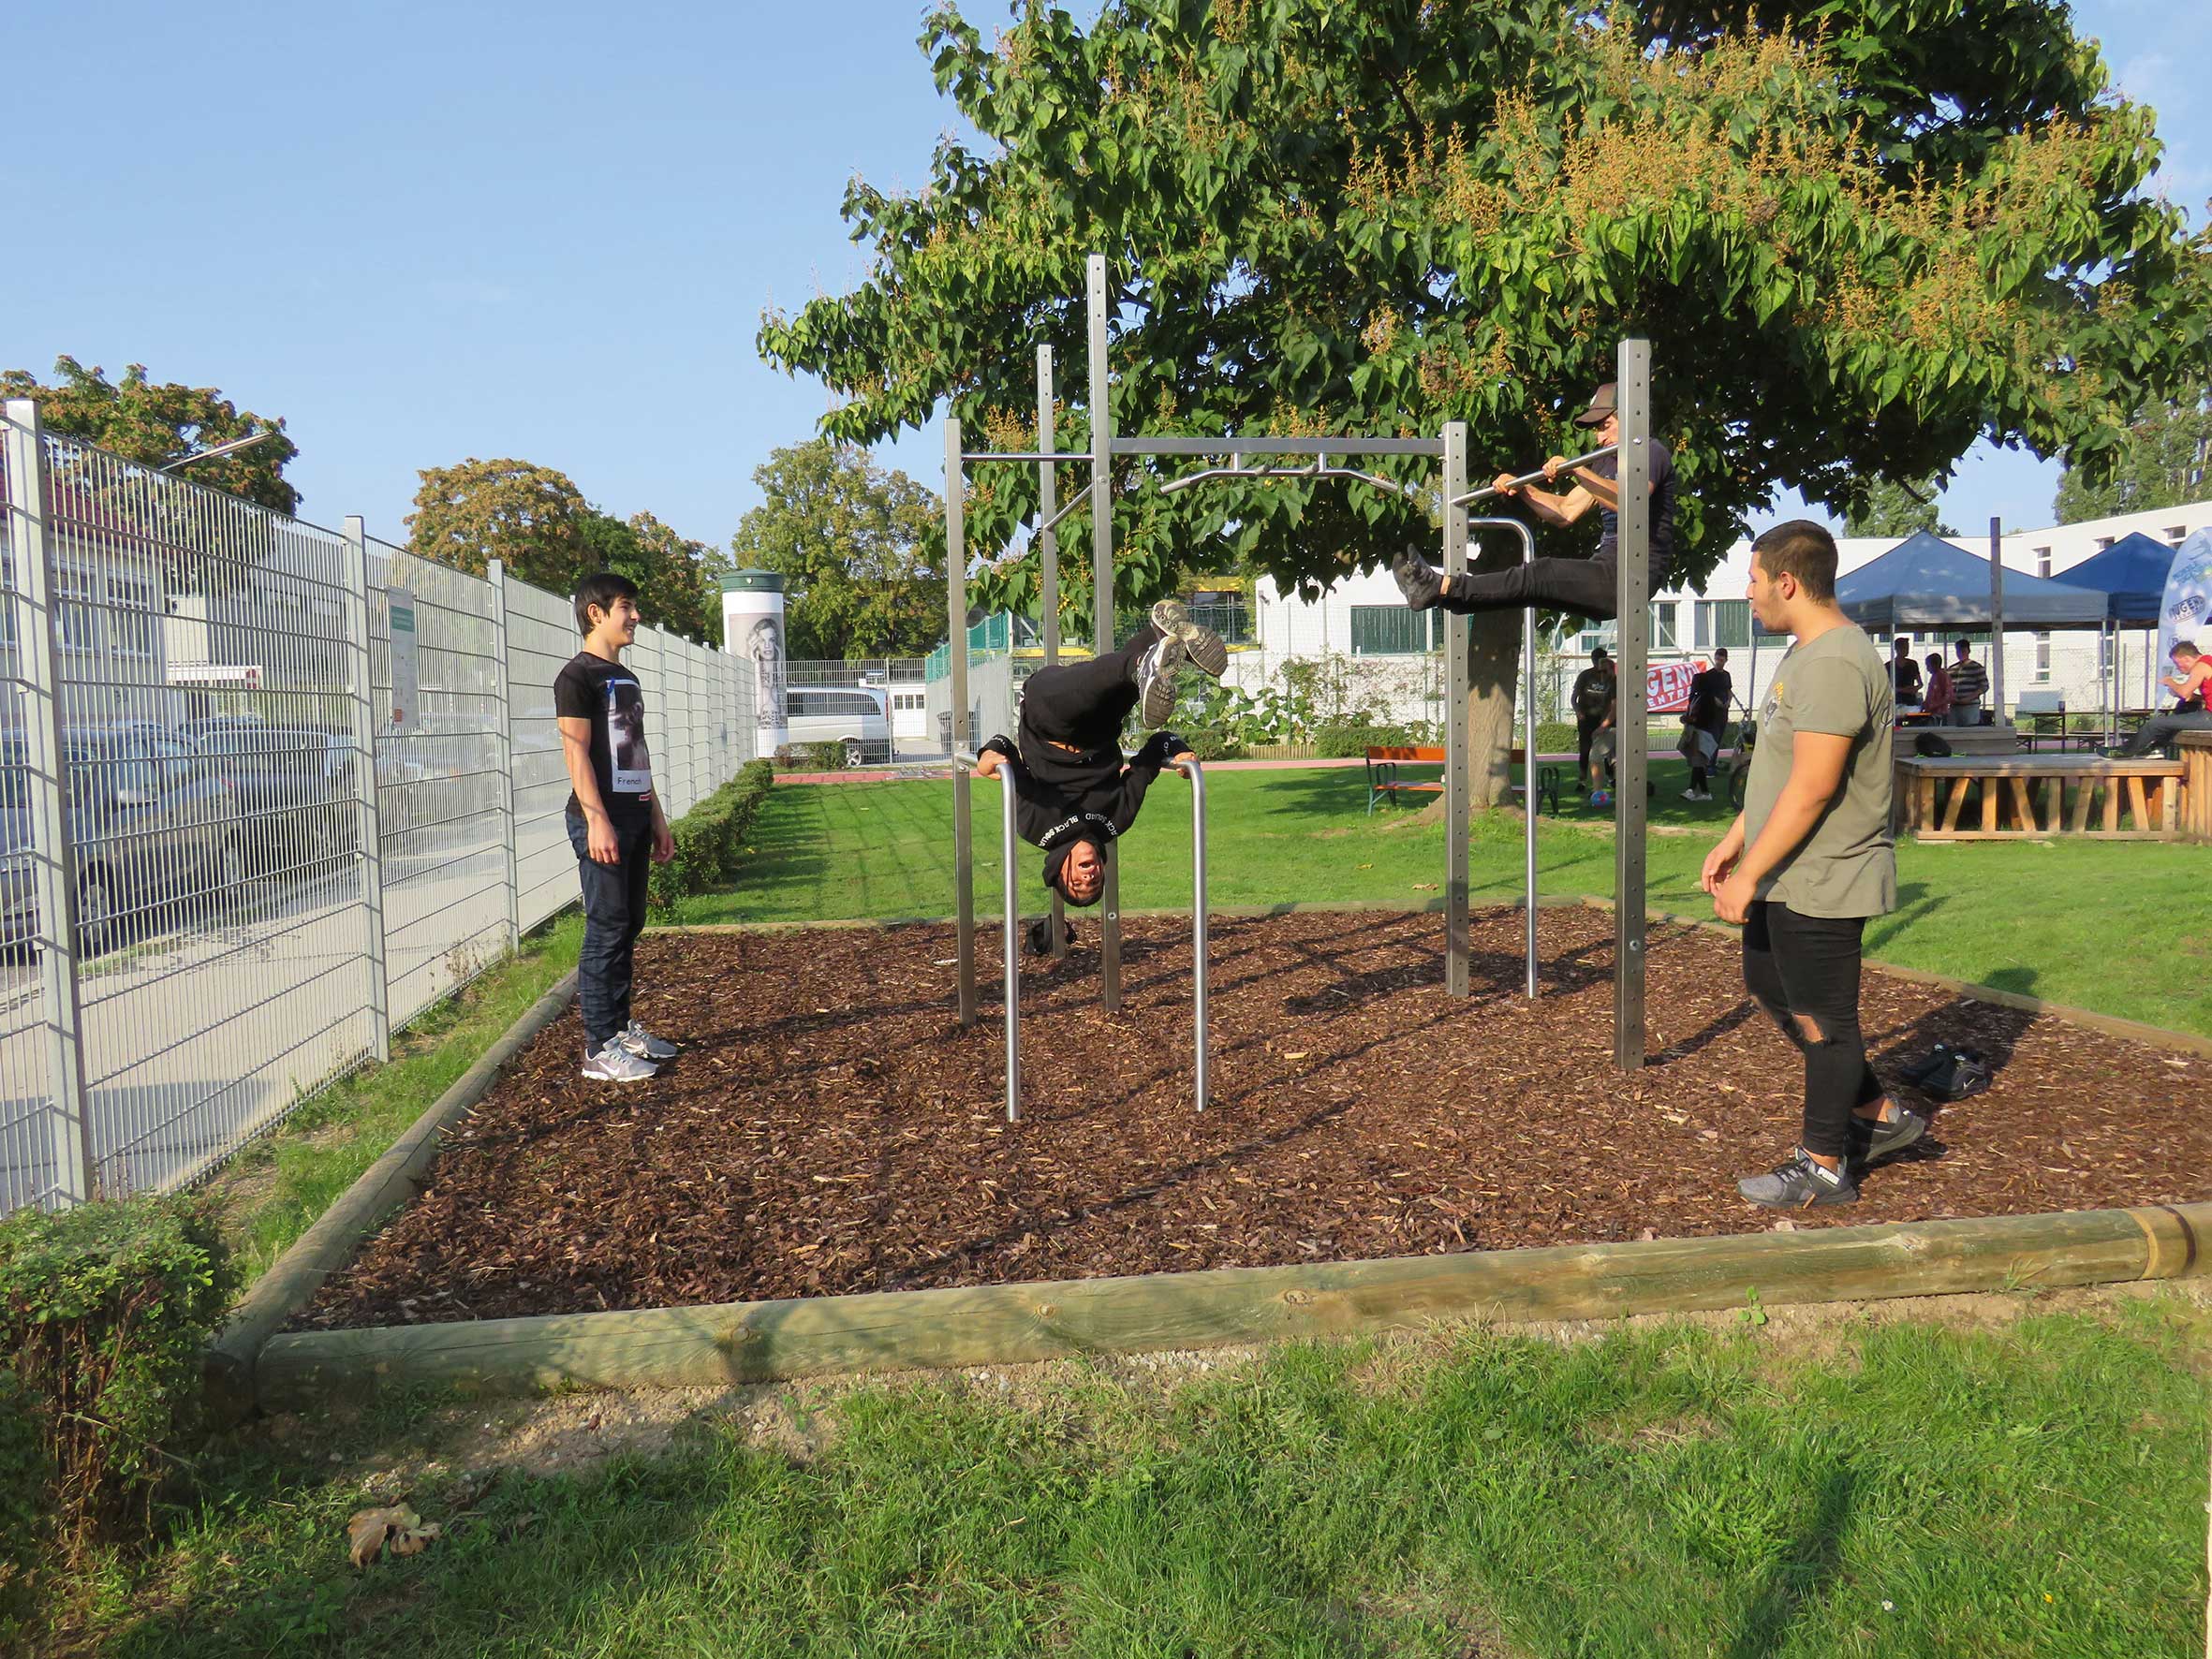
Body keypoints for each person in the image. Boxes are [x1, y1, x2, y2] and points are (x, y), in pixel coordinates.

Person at [1700, 521, 1926, 1208]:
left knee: (1826, 1024)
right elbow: (1780, 772)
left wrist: (1746, 876)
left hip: (1825, 877)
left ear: (1787, 582)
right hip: (1785, 871)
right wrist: (1738, 838)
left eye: (1753, 579)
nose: (1749, 593)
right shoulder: (1807, 654)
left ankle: (1824, 1166)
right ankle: (1880, 1118)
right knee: (1771, 987)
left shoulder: (1833, 662)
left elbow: (1815, 787)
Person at [973, 601, 1227, 904]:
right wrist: (1181, 752)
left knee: (1090, 687)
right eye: (1095, 883)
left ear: (1058, 869)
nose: (1089, 878)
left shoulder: (1034, 827)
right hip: (1099, 732)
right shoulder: (1115, 820)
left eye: (1078, 885)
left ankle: (1148, 659)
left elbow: (1005, 749)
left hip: (1047, 721)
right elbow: (1155, 749)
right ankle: (1160, 638)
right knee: (1115, 692)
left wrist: (987, 756)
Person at [1389, 381, 1675, 621]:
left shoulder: (1651, 452)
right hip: (1607, 565)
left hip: (1632, 575)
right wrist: (1523, 488)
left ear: (1631, 418)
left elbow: (1631, 502)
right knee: (1531, 587)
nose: (1599, 437)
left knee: (1543, 572)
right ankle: (1440, 594)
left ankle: (1440, 587)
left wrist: (1576, 468)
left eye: (1606, 426)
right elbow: (1565, 511)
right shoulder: (1603, 464)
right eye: (1597, 429)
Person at [556, 572, 678, 1084]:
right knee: (606, 929)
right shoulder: (577, 678)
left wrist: (657, 817)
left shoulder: (624, 678)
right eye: (626, 606)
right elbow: (575, 751)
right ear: (596, 613)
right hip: (600, 821)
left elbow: (637, 753)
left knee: (629, 925)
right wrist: (597, 819)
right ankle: (597, 1047)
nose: (636, 617)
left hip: (634, 816)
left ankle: (622, 1028)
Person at [2116, 639, 2212, 756]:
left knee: (2155, 724)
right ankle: (2157, 748)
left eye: (2178, 664)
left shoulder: (2201, 666)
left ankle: (2123, 752)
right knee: (2185, 706)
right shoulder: (2209, 661)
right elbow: (2196, 697)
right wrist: (2191, 696)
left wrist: (2170, 681)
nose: (2178, 668)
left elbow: (2184, 692)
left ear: (2187, 658)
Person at [1679, 647, 1733, 801]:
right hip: (1705, 730)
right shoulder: (1703, 696)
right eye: (1717, 659)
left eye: (1721, 659)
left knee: (1699, 761)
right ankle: (1703, 792)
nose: (1718, 662)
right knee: (1699, 762)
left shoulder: (1703, 698)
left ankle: (1695, 790)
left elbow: (1699, 717)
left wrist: (1727, 702)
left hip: (1706, 730)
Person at [1571, 646, 1615, 785]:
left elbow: (1613, 702)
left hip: (1603, 719)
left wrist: (1606, 720)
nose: (1599, 664)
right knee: (1585, 748)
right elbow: (1574, 697)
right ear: (1592, 660)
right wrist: (1578, 711)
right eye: (1596, 661)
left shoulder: (1611, 678)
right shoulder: (1585, 675)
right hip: (1586, 718)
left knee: (1607, 749)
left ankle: (1611, 778)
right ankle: (1582, 780)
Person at [1946, 639, 1988, 726]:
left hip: (1970, 707)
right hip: (1954, 707)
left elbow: (1984, 686)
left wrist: (1968, 699)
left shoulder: (1977, 667)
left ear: (1968, 651)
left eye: (1963, 650)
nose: (1960, 653)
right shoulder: (1952, 669)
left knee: (1969, 731)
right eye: (1958, 650)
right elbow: (1947, 686)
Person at [1919, 652, 1953, 724]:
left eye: (1928, 665)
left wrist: (1933, 705)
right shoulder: (1934, 676)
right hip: (1932, 713)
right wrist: (1926, 704)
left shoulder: (1943, 676)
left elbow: (1948, 696)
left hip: (1940, 713)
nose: (1927, 668)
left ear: (1935, 665)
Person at [1888, 637, 1922, 706]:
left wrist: (1915, 688)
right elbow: (1886, 686)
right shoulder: (1889, 666)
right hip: (1896, 701)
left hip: (1911, 701)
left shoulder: (1913, 664)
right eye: (1904, 648)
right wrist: (1903, 690)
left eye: (1907, 648)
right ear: (1897, 649)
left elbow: (1920, 683)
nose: (1907, 650)